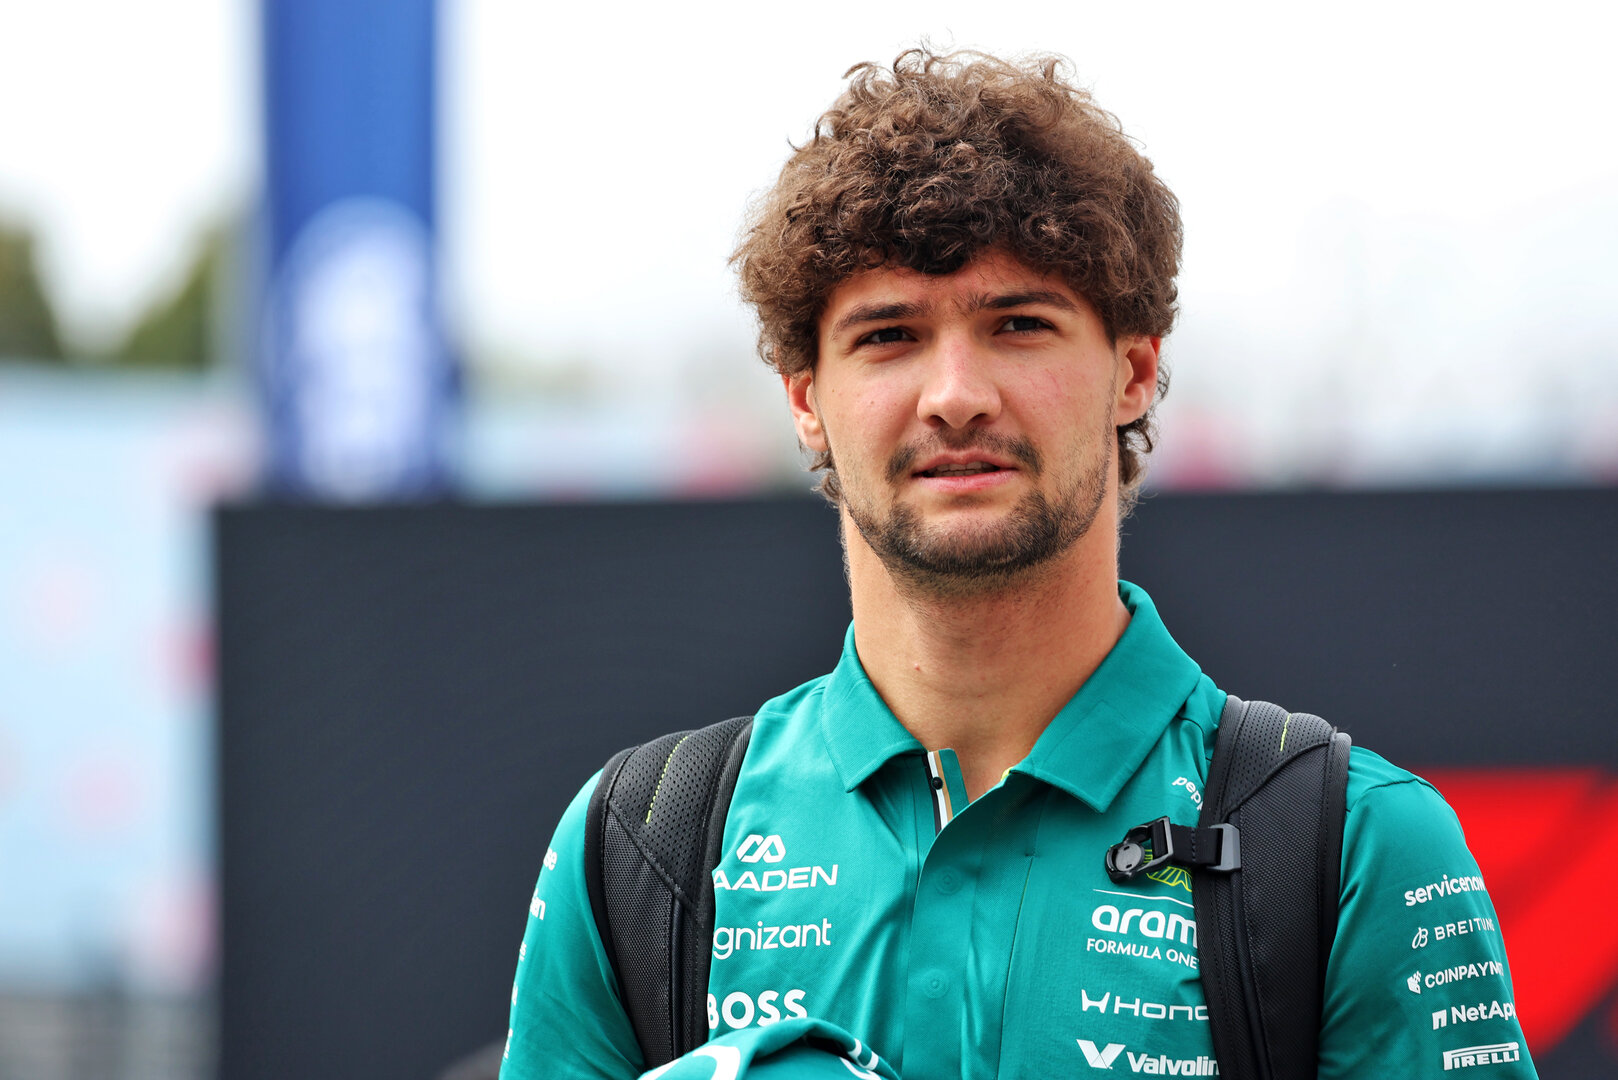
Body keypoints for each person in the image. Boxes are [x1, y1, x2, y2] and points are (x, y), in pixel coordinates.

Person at [500, 49, 1535, 1079]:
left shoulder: (1351, 845)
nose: (955, 394)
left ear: (1132, 372)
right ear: (805, 398)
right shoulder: (643, 844)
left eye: (1018, 326)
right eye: (890, 334)